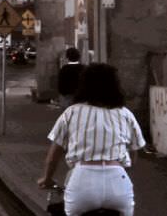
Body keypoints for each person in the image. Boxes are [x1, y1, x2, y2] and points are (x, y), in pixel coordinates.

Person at [38, 63, 145, 216]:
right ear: (115, 86)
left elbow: (54, 155)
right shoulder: (125, 114)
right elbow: (134, 153)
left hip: (82, 182)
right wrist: (121, 170)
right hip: (118, 182)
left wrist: (47, 178)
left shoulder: (71, 113)